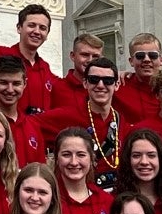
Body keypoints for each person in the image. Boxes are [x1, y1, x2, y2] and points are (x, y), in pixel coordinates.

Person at [42, 56, 123, 185]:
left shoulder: (121, 122)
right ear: (85, 83)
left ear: (116, 84)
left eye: (108, 81)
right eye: (94, 80)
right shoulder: (67, 115)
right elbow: (25, 125)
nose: (100, 85)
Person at [0, 4, 58, 113]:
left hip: (36, 129)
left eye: (42, 28)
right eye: (31, 25)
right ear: (19, 28)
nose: (37, 31)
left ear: (47, 35)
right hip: (5, 126)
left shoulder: (45, 68)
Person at [52, 129, 109, 214]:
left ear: (92, 158)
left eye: (81, 155)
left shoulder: (107, 202)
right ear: (56, 159)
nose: (73, 162)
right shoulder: (47, 200)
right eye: (66, 154)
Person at [0, 55, 46, 165]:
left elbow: (40, 171)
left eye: (16, 83)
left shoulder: (33, 127)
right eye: (3, 83)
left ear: (25, 84)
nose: (10, 90)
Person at [116, 33, 162, 125]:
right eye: (140, 56)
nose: (147, 59)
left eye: (153, 55)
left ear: (161, 60)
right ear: (131, 61)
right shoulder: (119, 86)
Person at [51, 32, 106, 112]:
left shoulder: (108, 87)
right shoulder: (56, 88)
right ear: (73, 56)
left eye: (95, 56)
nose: (90, 60)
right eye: (85, 55)